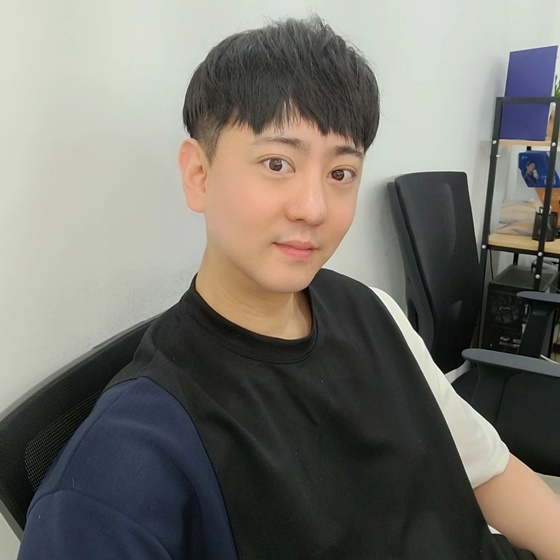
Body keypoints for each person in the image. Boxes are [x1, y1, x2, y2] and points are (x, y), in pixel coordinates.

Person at [17, 17, 560, 560]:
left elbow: (491, 472)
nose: (313, 208)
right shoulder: (120, 469)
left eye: (341, 173)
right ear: (198, 174)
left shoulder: (374, 311)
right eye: (277, 163)